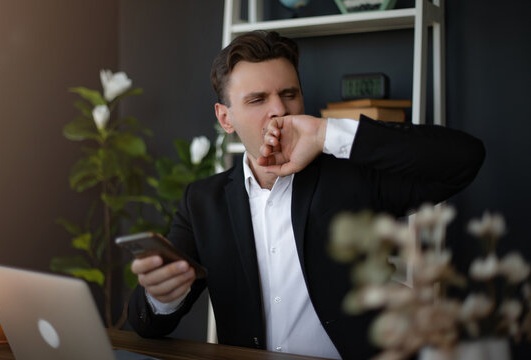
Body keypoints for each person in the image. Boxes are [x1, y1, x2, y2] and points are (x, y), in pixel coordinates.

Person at [128, 31, 485, 359]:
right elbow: (149, 325)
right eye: (257, 99)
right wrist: (162, 296)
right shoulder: (202, 202)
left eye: (289, 94)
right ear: (226, 118)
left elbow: (463, 160)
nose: (279, 110)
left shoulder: (351, 176)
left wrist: (328, 133)